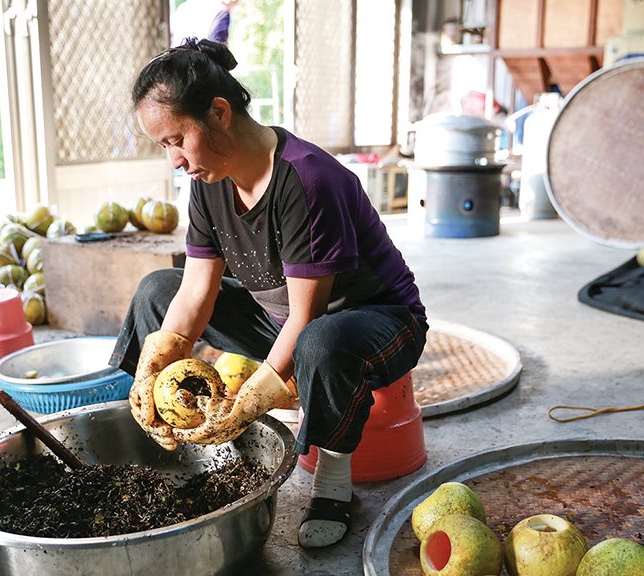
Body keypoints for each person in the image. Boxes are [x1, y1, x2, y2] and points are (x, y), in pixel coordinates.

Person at [110, 38, 428, 549]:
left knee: (320, 343)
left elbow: (307, 317)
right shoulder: (208, 182)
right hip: (284, 324)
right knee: (157, 290)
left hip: (375, 323)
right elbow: (194, 292)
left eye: (176, 140)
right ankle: (158, 420)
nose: (173, 160)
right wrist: (154, 365)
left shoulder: (308, 179)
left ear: (218, 112)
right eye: (162, 146)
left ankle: (333, 484)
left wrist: (252, 397)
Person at [170, 0, 240, 47]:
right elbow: (219, 46)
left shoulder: (182, 8)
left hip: (177, 62)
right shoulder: (221, 12)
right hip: (201, 63)